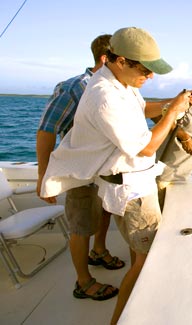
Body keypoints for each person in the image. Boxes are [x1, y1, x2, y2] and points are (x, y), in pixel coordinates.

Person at [39, 27, 192, 324]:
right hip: (132, 190)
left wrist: (168, 104)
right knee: (145, 262)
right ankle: (120, 319)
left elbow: (140, 109)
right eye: (146, 69)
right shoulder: (103, 96)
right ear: (121, 60)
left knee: (142, 258)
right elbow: (147, 146)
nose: (150, 76)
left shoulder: (120, 82)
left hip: (130, 182)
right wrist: (174, 111)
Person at [36, 34, 122, 302]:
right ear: (106, 59)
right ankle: (83, 282)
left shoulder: (114, 88)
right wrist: (43, 175)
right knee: (81, 225)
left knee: (104, 212)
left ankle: (98, 251)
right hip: (80, 172)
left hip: (103, 170)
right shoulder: (74, 87)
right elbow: (47, 130)